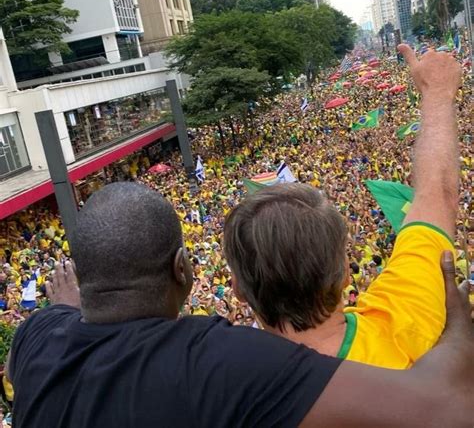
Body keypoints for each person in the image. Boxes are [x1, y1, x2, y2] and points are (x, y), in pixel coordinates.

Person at [7, 183, 473, 427]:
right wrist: (457, 328)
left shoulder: (36, 340)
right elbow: (444, 409)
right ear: (184, 269)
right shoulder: (219, 364)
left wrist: (61, 313)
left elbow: (23, 359)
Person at [223, 46, 464, 368]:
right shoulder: (400, 325)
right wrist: (437, 94)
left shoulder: (227, 392)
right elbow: (439, 194)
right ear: (346, 271)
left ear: (238, 288)